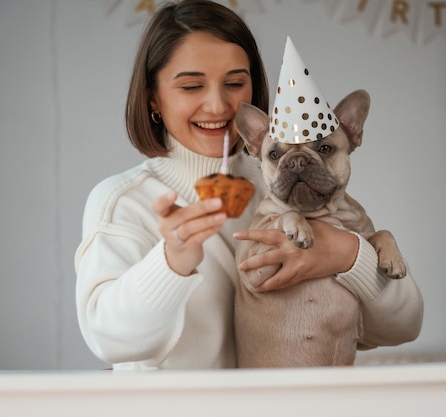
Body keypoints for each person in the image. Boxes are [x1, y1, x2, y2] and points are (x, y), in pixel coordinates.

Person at [75, 0, 423, 371]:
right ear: (153, 99)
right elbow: (108, 339)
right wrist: (170, 263)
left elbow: (402, 325)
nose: (217, 104)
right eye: (191, 85)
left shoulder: (285, 188)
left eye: (235, 83)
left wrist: (349, 255)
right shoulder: (124, 203)